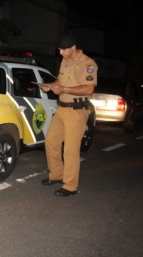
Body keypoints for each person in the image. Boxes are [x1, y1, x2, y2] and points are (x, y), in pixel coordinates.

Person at [40, 33, 97, 197]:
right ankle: (57, 175)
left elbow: (89, 88)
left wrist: (64, 90)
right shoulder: (65, 60)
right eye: (59, 49)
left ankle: (71, 185)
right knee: (51, 141)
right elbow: (60, 80)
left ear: (73, 48)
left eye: (63, 50)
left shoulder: (87, 64)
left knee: (71, 150)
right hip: (62, 109)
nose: (60, 53)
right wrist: (50, 86)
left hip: (77, 111)